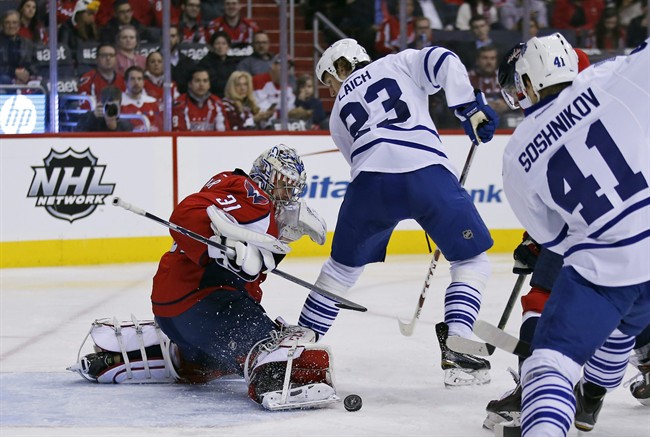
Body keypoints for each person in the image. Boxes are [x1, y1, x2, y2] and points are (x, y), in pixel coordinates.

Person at [69, 144, 338, 411]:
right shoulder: (253, 196)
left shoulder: (247, 204)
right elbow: (185, 214)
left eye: (292, 188)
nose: (287, 194)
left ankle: (160, 357)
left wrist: (265, 249)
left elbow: (246, 278)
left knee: (217, 360)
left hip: (176, 311)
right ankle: (275, 378)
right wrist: (218, 247)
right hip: (200, 304)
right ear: (265, 175)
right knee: (270, 345)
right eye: (283, 184)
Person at [296, 38, 500, 387]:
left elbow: (359, 161)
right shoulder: (398, 63)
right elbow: (443, 58)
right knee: (472, 261)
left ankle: (295, 347)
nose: (331, 89)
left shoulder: (336, 115)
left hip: (370, 186)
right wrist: (467, 106)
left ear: (341, 67)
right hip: (426, 173)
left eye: (329, 78)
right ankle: (458, 343)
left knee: (341, 270)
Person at [499, 33, 649, 437]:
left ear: (528, 81)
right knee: (624, 331)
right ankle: (595, 395)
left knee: (550, 362)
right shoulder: (614, 77)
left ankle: (556, 408)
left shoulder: (516, 152)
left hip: (607, 262)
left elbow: (550, 234)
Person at [252, 54, 309, 130]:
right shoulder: (258, 81)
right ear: (273, 66)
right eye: (282, 66)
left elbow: (290, 108)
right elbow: (261, 110)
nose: (285, 70)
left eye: (288, 68)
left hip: (283, 125)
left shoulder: (288, 87)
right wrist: (285, 113)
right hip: (261, 127)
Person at [172, 66, 229, 131]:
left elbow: (224, 134)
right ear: (190, 84)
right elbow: (179, 134)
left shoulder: (217, 103)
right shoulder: (180, 104)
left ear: (209, 84)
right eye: (197, 81)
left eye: (205, 81)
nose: (201, 84)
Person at [78, 43, 126, 108]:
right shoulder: (87, 79)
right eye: (104, 55)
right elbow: (84, 106)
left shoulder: (123, 79)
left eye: (111, 55)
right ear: (97, 58)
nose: (108, 58)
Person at [197, 31, 239, 98]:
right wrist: (233, 84)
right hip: (212, 97)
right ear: (212, 46)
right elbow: (212, 84)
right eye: (217, 43)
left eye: (224, 44)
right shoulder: (205, 62)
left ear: (228, 46)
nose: (220, 46)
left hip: (232, 96)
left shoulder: (233, 62)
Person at [121, 65, 163, 131]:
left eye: (139, 79)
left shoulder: (152, 102)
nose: (136, 82)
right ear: (125, 82)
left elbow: (160, 126)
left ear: (144, 82)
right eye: (132, 79)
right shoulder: (119, 102)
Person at [0, 9, 34, 88]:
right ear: (2, 25)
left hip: (25, 78)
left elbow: (34, 64)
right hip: (4, 79)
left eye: (14, 23)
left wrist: (26, 73)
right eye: (7, 23)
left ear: (19, 25)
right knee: (5, 79)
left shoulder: (27, 43)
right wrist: (14, 72)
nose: (11, 26)